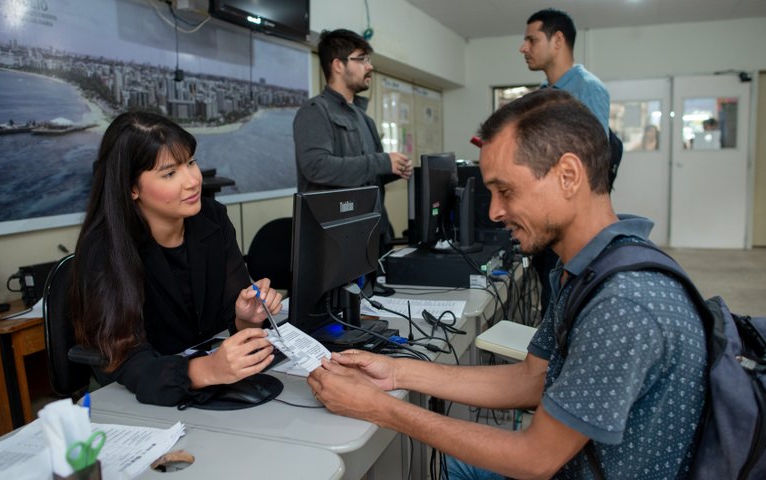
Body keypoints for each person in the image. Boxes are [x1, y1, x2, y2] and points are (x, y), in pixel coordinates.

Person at [308, 89, 707, 479]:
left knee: (414, 467)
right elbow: (532, 378)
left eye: (506, 190)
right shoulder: (592, 266)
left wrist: (380, 408)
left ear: (568, 175)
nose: (495, 211)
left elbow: (534, 458)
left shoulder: (622, 303)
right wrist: (397, 373)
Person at [71, 111, 283, 406]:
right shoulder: (104, 249)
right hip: (132, 395)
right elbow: (125, 361)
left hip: (208, 381)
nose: (192, 180)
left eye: (191, 163)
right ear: (131, 188)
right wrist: (206, 370)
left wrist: (245, 318)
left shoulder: (213, 219)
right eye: (170, 173)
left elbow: (230, 320)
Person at [520, 8, 620, 316]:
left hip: (570, 220)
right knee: (550, 296)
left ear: (557, 40)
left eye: (531, 39)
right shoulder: (541, 95)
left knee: (569, 301)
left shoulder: (586, 88)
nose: (523, 48)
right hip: (543, 214)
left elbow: (590, 161)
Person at [292, 29, 412, 251]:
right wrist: (383, 162)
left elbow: (365, 176)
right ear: (338, 65)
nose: (369, 66)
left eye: (368, 60)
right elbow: (316, 167)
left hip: (373, 230)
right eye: (362, 60)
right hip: (337, 238)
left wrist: (394, 169)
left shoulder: (364, 118)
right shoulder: (314, 111)